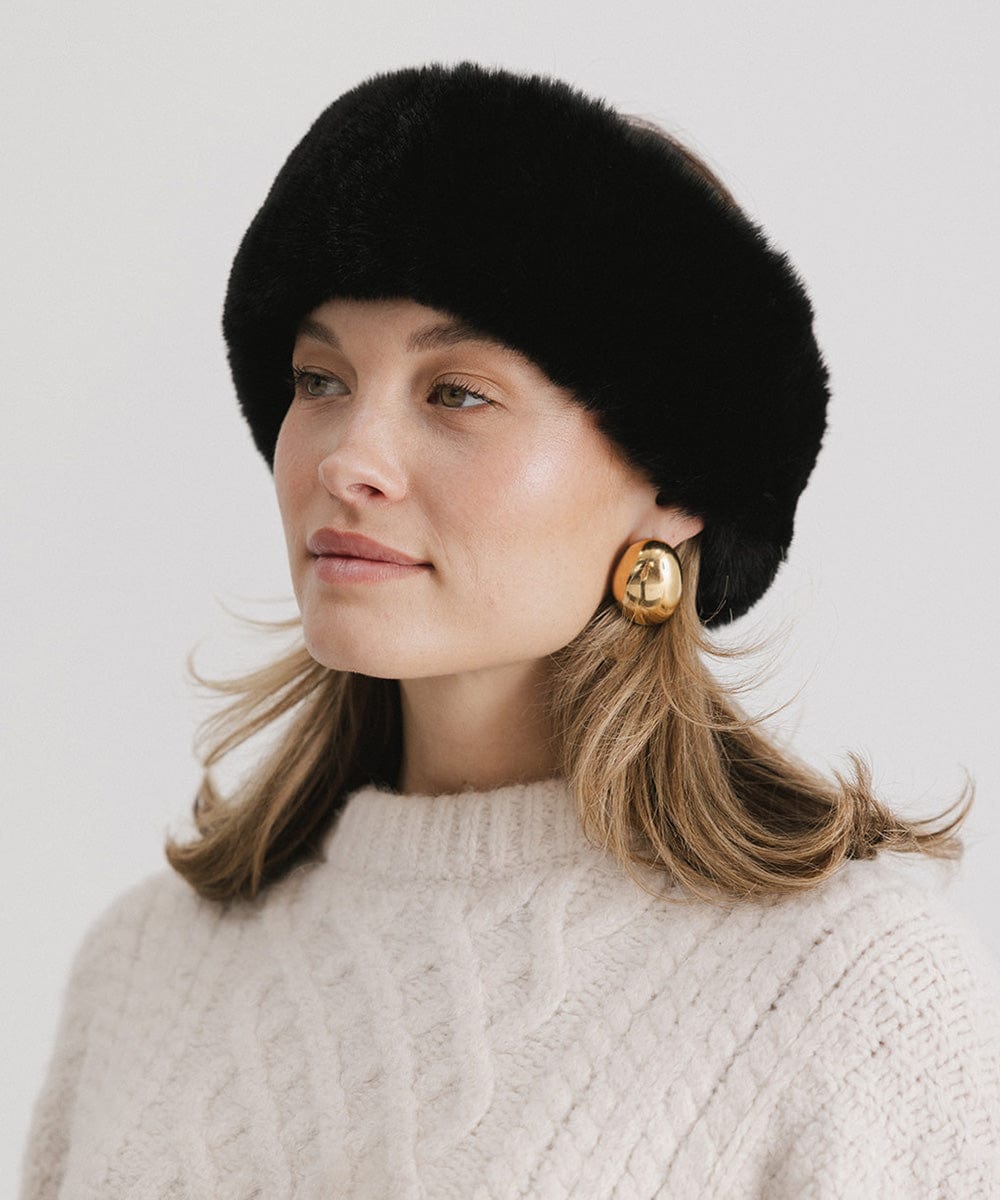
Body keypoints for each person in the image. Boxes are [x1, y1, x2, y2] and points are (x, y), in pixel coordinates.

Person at [20, 62, 1000, 1199]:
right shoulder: (145, 967)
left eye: (456, 393)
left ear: (670, 484)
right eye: (319, 377)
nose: (346, 459)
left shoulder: (843, 992)